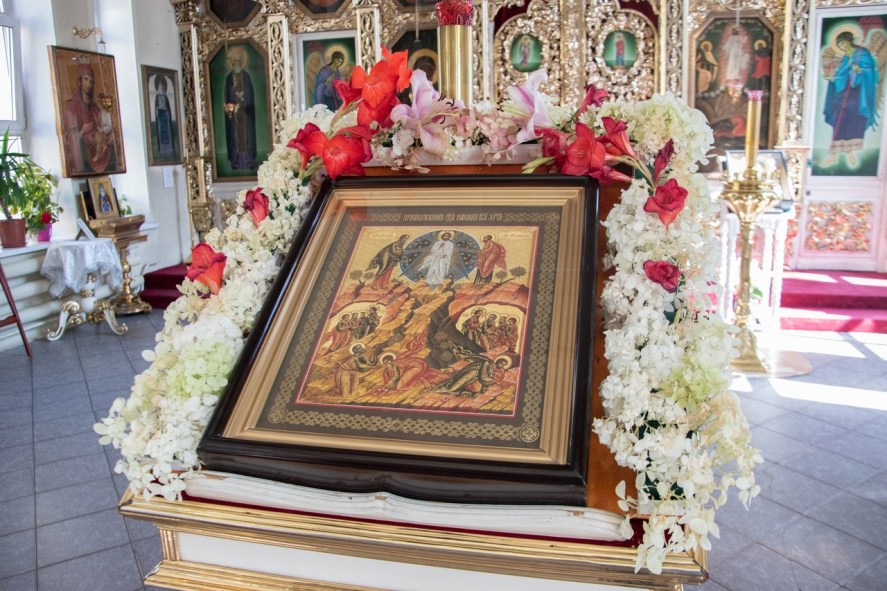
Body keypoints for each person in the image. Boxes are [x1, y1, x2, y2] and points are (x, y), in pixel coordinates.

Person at [821, 31, 879, 168]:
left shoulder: (862, 54)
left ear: (849, 41)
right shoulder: (846, 57)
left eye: (844, 43)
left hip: (857, 95)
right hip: (843, 95)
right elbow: (841, 75)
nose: (843, 46)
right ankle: (833, 155)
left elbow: (869, 71)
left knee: (853, 122)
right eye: (840, 45)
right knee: (839, 120)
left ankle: (849, 152)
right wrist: (833, 79)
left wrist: (859, 71)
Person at [64, 62, 117, 175]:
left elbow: (104, 124)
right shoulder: (72, 105)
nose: (89, 84)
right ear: (79, 80)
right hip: (86, 151)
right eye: (86, 79)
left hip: (99, 140)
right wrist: (82, 132)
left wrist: (112, 135)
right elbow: (70, 136)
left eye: (91, 81)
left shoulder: (95, 106)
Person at [224, 46, 257, 171]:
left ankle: (248, 161)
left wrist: (244, 95)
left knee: (246, 137)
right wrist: (234, 94)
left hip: (245, 112)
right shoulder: (229, 77)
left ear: (241, 62)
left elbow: (250, 92)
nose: (237, 64)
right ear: (232, 63)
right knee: (235, 138)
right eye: (235, 61)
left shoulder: (246, 76)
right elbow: (227, 95)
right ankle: (236, 161)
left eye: (239, 61)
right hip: (235, 114)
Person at [154, 76, 176, 158]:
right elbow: (156, 108)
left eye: (162, 86)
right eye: (160, 86)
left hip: (166, 119)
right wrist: (158, 109)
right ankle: (163, 150)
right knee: (162, 136)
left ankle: (169, 149)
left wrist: (166, 110)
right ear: (158, 87)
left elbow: (168, 108)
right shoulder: (157, 97)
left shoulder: (165, 96)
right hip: (160, 118)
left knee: (168, 135)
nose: (161, 87)